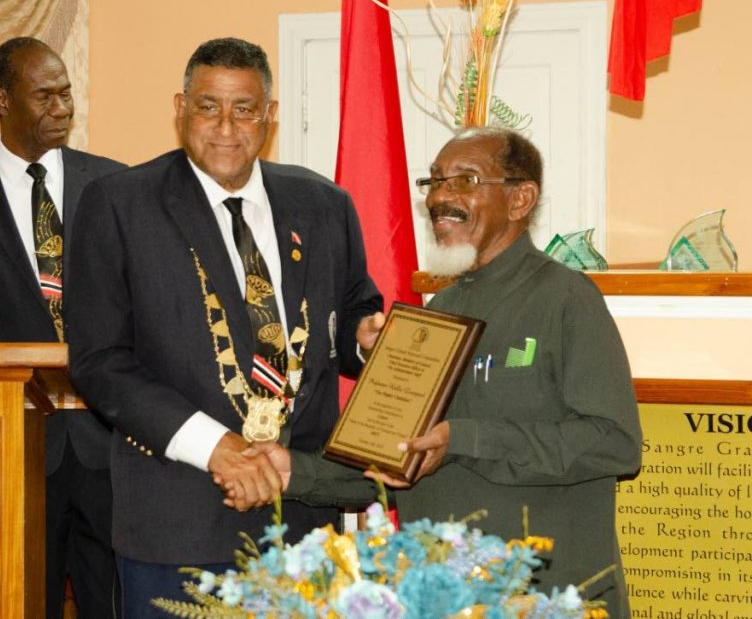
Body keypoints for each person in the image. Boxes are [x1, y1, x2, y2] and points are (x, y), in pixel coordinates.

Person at [251, 127, 642, 616]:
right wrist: (293, 470)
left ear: (520, 198)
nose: (440, 197)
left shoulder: (566, 299)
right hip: (441, 597)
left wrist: (465, 439)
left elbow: (614, 443)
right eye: (435, 181)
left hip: (545, 595)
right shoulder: (434, 314)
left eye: (466, 179)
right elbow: (393, 460)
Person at [63, 37, 385, 617]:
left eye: (245, 108)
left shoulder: (324, 204)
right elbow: (100, 362)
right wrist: (218, 449)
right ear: (180, 108)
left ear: (270, 115)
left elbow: (354, 311)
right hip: (177, 522)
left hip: (303, 521)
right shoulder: (119, 204)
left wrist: (366, 340)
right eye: (209, 106)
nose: (226, 127)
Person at [0, 37, 124, 619]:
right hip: (18, 449)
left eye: (67, 94)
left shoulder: (115, 188)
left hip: (109, 446)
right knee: (22, 600)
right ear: (1, 100)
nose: (62, 108)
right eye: (45, 96)